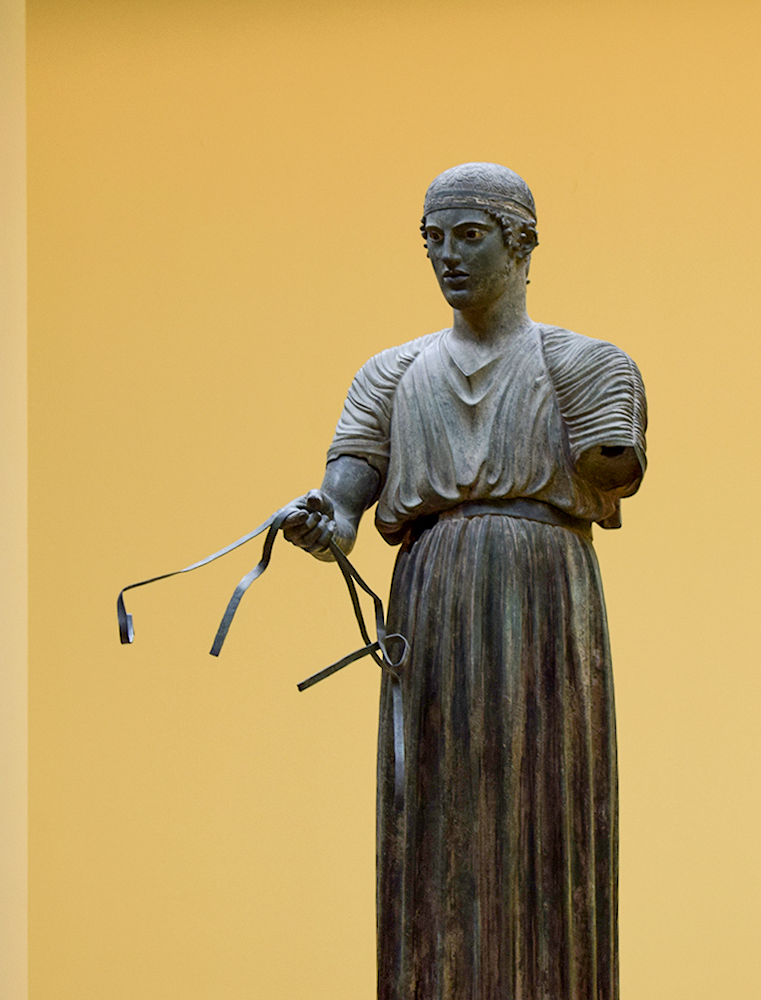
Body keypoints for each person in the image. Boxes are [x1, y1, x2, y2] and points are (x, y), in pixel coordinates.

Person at [280, 163, 646, 1000]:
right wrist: (317, 524)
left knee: (548, 820)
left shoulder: (585, 365)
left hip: (546, 600)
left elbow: (615, 468)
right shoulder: (389, 375)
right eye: (432, 241)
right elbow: (341, 505)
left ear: (522, 242)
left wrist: (612, 449)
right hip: (435, 606)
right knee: (438, 831)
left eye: (468, 235)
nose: (447, 257)